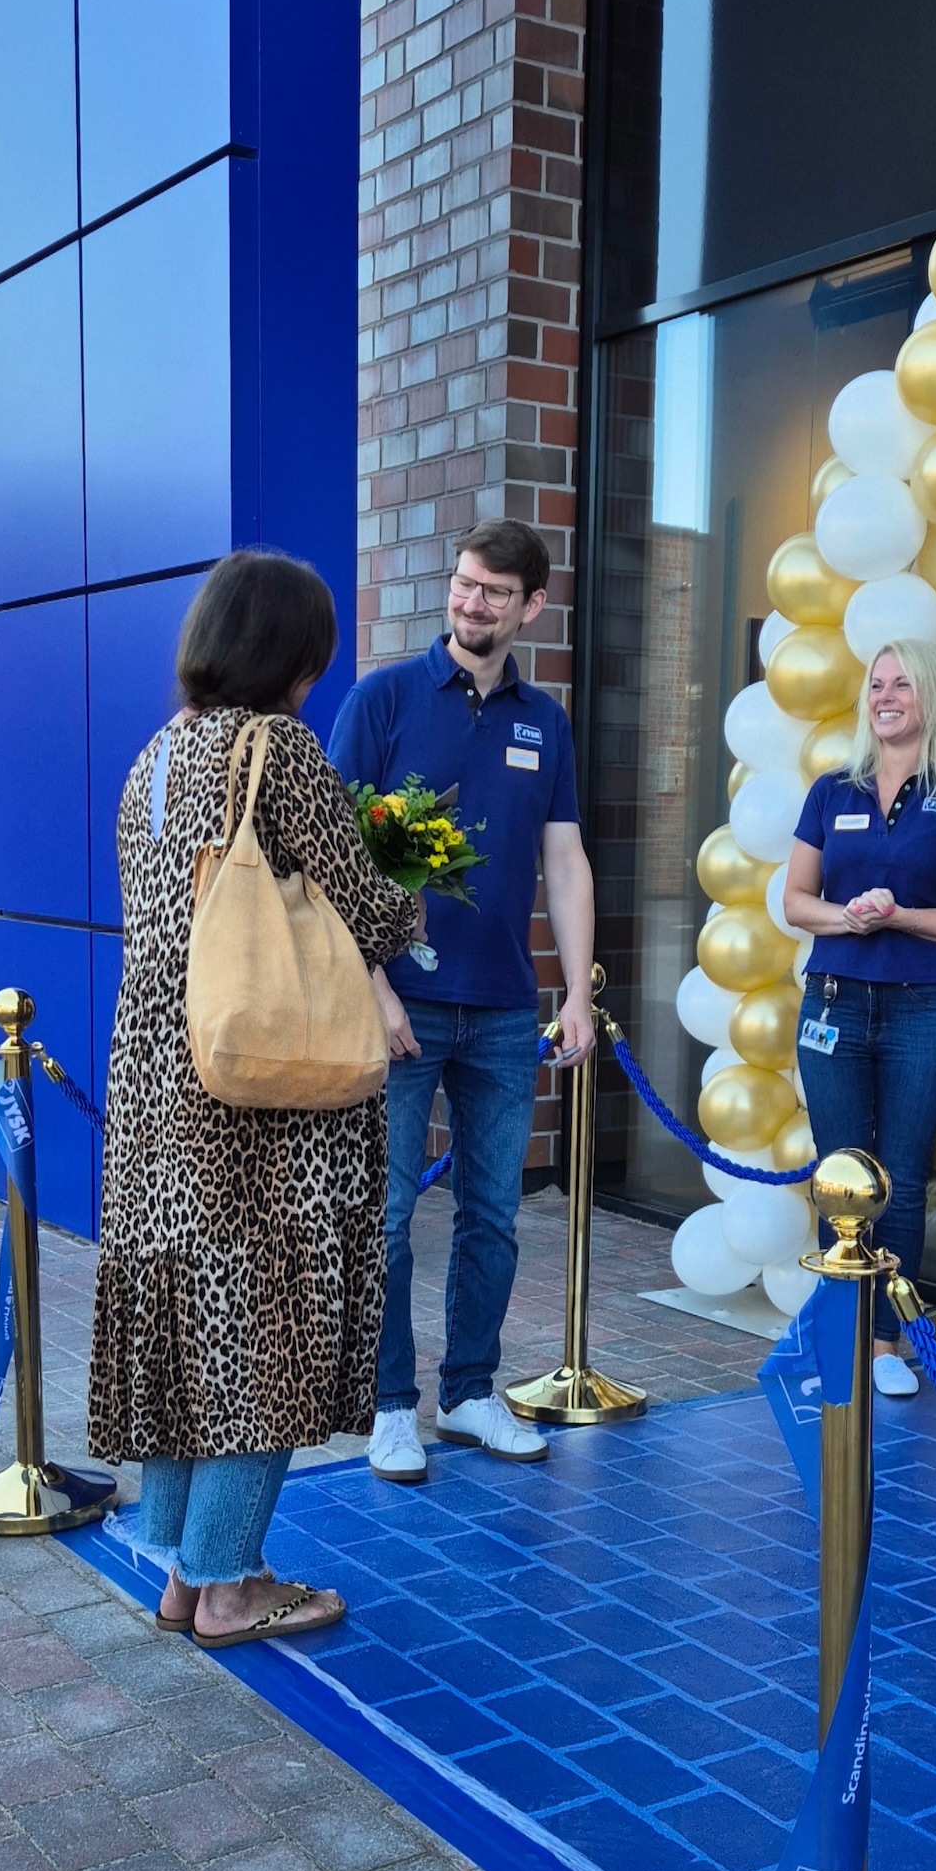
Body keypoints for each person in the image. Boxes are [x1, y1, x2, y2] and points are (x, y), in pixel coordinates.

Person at [88, 551, 422, 1642]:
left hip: (156, 1084)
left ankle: (186, 1577)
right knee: (266, 1331)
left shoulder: (155, 755)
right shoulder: (273, 746)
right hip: (256, 1102)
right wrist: (415, 899)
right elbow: (364, 906)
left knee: (198, 1329)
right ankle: (230, 1586)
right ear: (293, 654)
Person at [328, 518, 596, 1481]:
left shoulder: (545, 721)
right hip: (397, 1003)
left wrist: (573, 992)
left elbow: (564, 861)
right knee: (389, 1216)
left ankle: (470, 1391)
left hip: (501, 1008)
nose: (469, 603)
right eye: (461, 584)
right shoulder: (384, 698)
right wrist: (371, 984)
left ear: (532, 604)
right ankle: (390, 1405)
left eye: (492, 591)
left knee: (492, 1210)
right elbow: (327, 862)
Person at [783, 641, 936, 1397]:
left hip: (923, 1009)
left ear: (933, 698)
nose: (884, 696)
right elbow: (794, 900)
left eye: (901, 683)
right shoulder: (830, 791)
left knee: (901, 1182)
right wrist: (850, 918)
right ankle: (838, 1345)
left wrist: (900, 914)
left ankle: (884, 1347)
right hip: (835, 1006)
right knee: (840, 1180)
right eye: (876, 684)